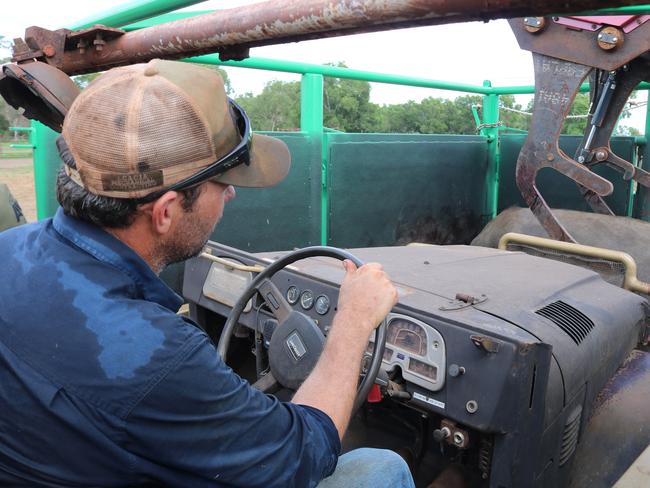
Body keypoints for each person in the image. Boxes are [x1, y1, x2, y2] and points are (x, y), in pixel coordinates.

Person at [0, 59, 415, 488]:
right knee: (383, 468)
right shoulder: (156, 358)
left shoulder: (8, 249)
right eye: (223, 182)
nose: (232, 193)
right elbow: (302, 456)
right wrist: (352, 324)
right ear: (165, 211)